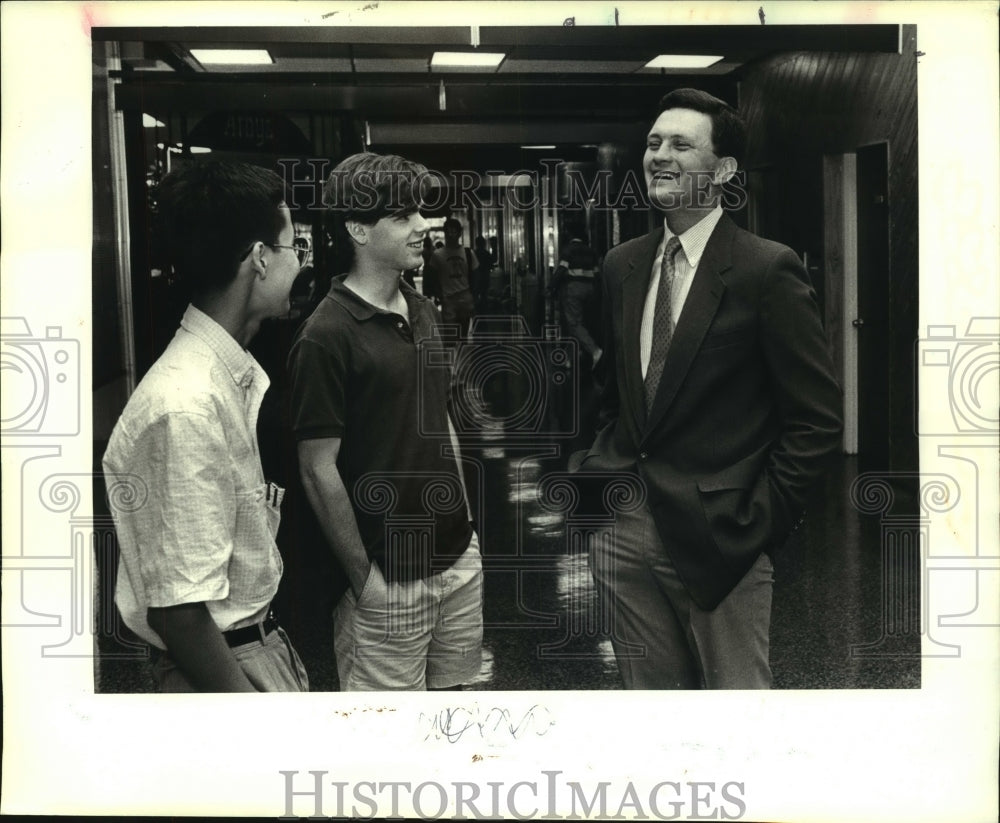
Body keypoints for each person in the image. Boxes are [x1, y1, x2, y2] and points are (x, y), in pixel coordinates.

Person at [572, 88, 843, 689]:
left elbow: (817, 420)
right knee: (655, 712)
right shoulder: (623, 265)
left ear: (723, 171)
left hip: (723, 536)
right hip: (624, 526)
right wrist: (595, 474)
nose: (659, 155)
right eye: (653, 142)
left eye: (680, 144)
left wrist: (757, 519)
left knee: (735, 716)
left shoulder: (764, 269)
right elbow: (612, 391)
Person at [103, 160, 309, 692]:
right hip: (222, 675)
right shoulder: (186, 404)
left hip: (252, 648)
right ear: (260, 259)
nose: (300, 264)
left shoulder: (222, 377)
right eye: (294, 247)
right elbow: (180, 614)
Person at [288, 152, 483, 691]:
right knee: (390, 744)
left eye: (419, 212)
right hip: (388, 580)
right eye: (402, 216)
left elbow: (438, 417)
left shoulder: (421, 308)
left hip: (457, 562)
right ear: (358, 229)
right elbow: (316, 471)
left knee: (456, 721)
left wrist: (467, 532)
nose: (423, 226)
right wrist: (365, 582)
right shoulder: (324, 336)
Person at [552, 227, 603, 369]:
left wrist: (551, 287)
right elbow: (597, 274)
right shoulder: (591, 251)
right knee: (578, 324)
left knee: (574, 324)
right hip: (590, 290)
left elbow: (561, 270)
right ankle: (569, 358)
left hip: (573, 289)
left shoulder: (568, 250)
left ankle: (595, 351)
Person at [423, 217, 480, 340]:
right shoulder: (438, 255)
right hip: (448, 299)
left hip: (465, 297)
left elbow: (476, 277)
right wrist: (438, 294)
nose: (451, 234)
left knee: (463, 334)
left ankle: (459, 356)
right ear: (445, 233)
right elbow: (431, 276)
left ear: (459, 233)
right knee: (450, 336)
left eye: (454, 231)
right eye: (448, 231)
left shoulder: (468, 253)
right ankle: (454, 356)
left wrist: (474, 297)